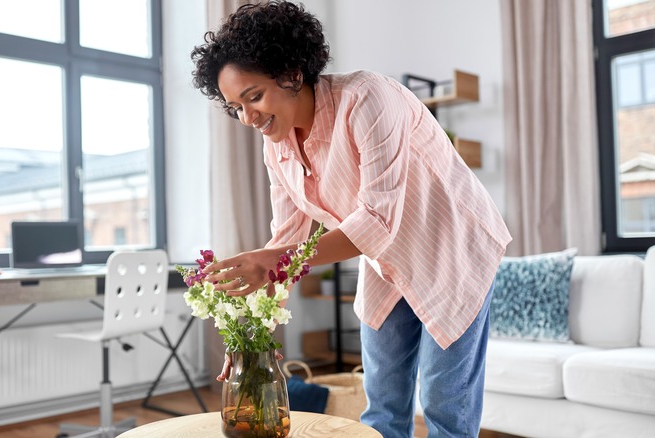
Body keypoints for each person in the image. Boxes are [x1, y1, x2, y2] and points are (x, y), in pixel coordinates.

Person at [190, 2, 512, 437]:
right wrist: (254, 337)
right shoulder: (277, 146)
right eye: (235, 107)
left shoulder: (366, 99)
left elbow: (376, 222)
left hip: (453, 249)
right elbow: (285, 239)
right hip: (386, 263)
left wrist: (270, 262)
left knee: (443, 405)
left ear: (292, 73)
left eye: (254, 97)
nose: (248, 118)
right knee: (381, 403)